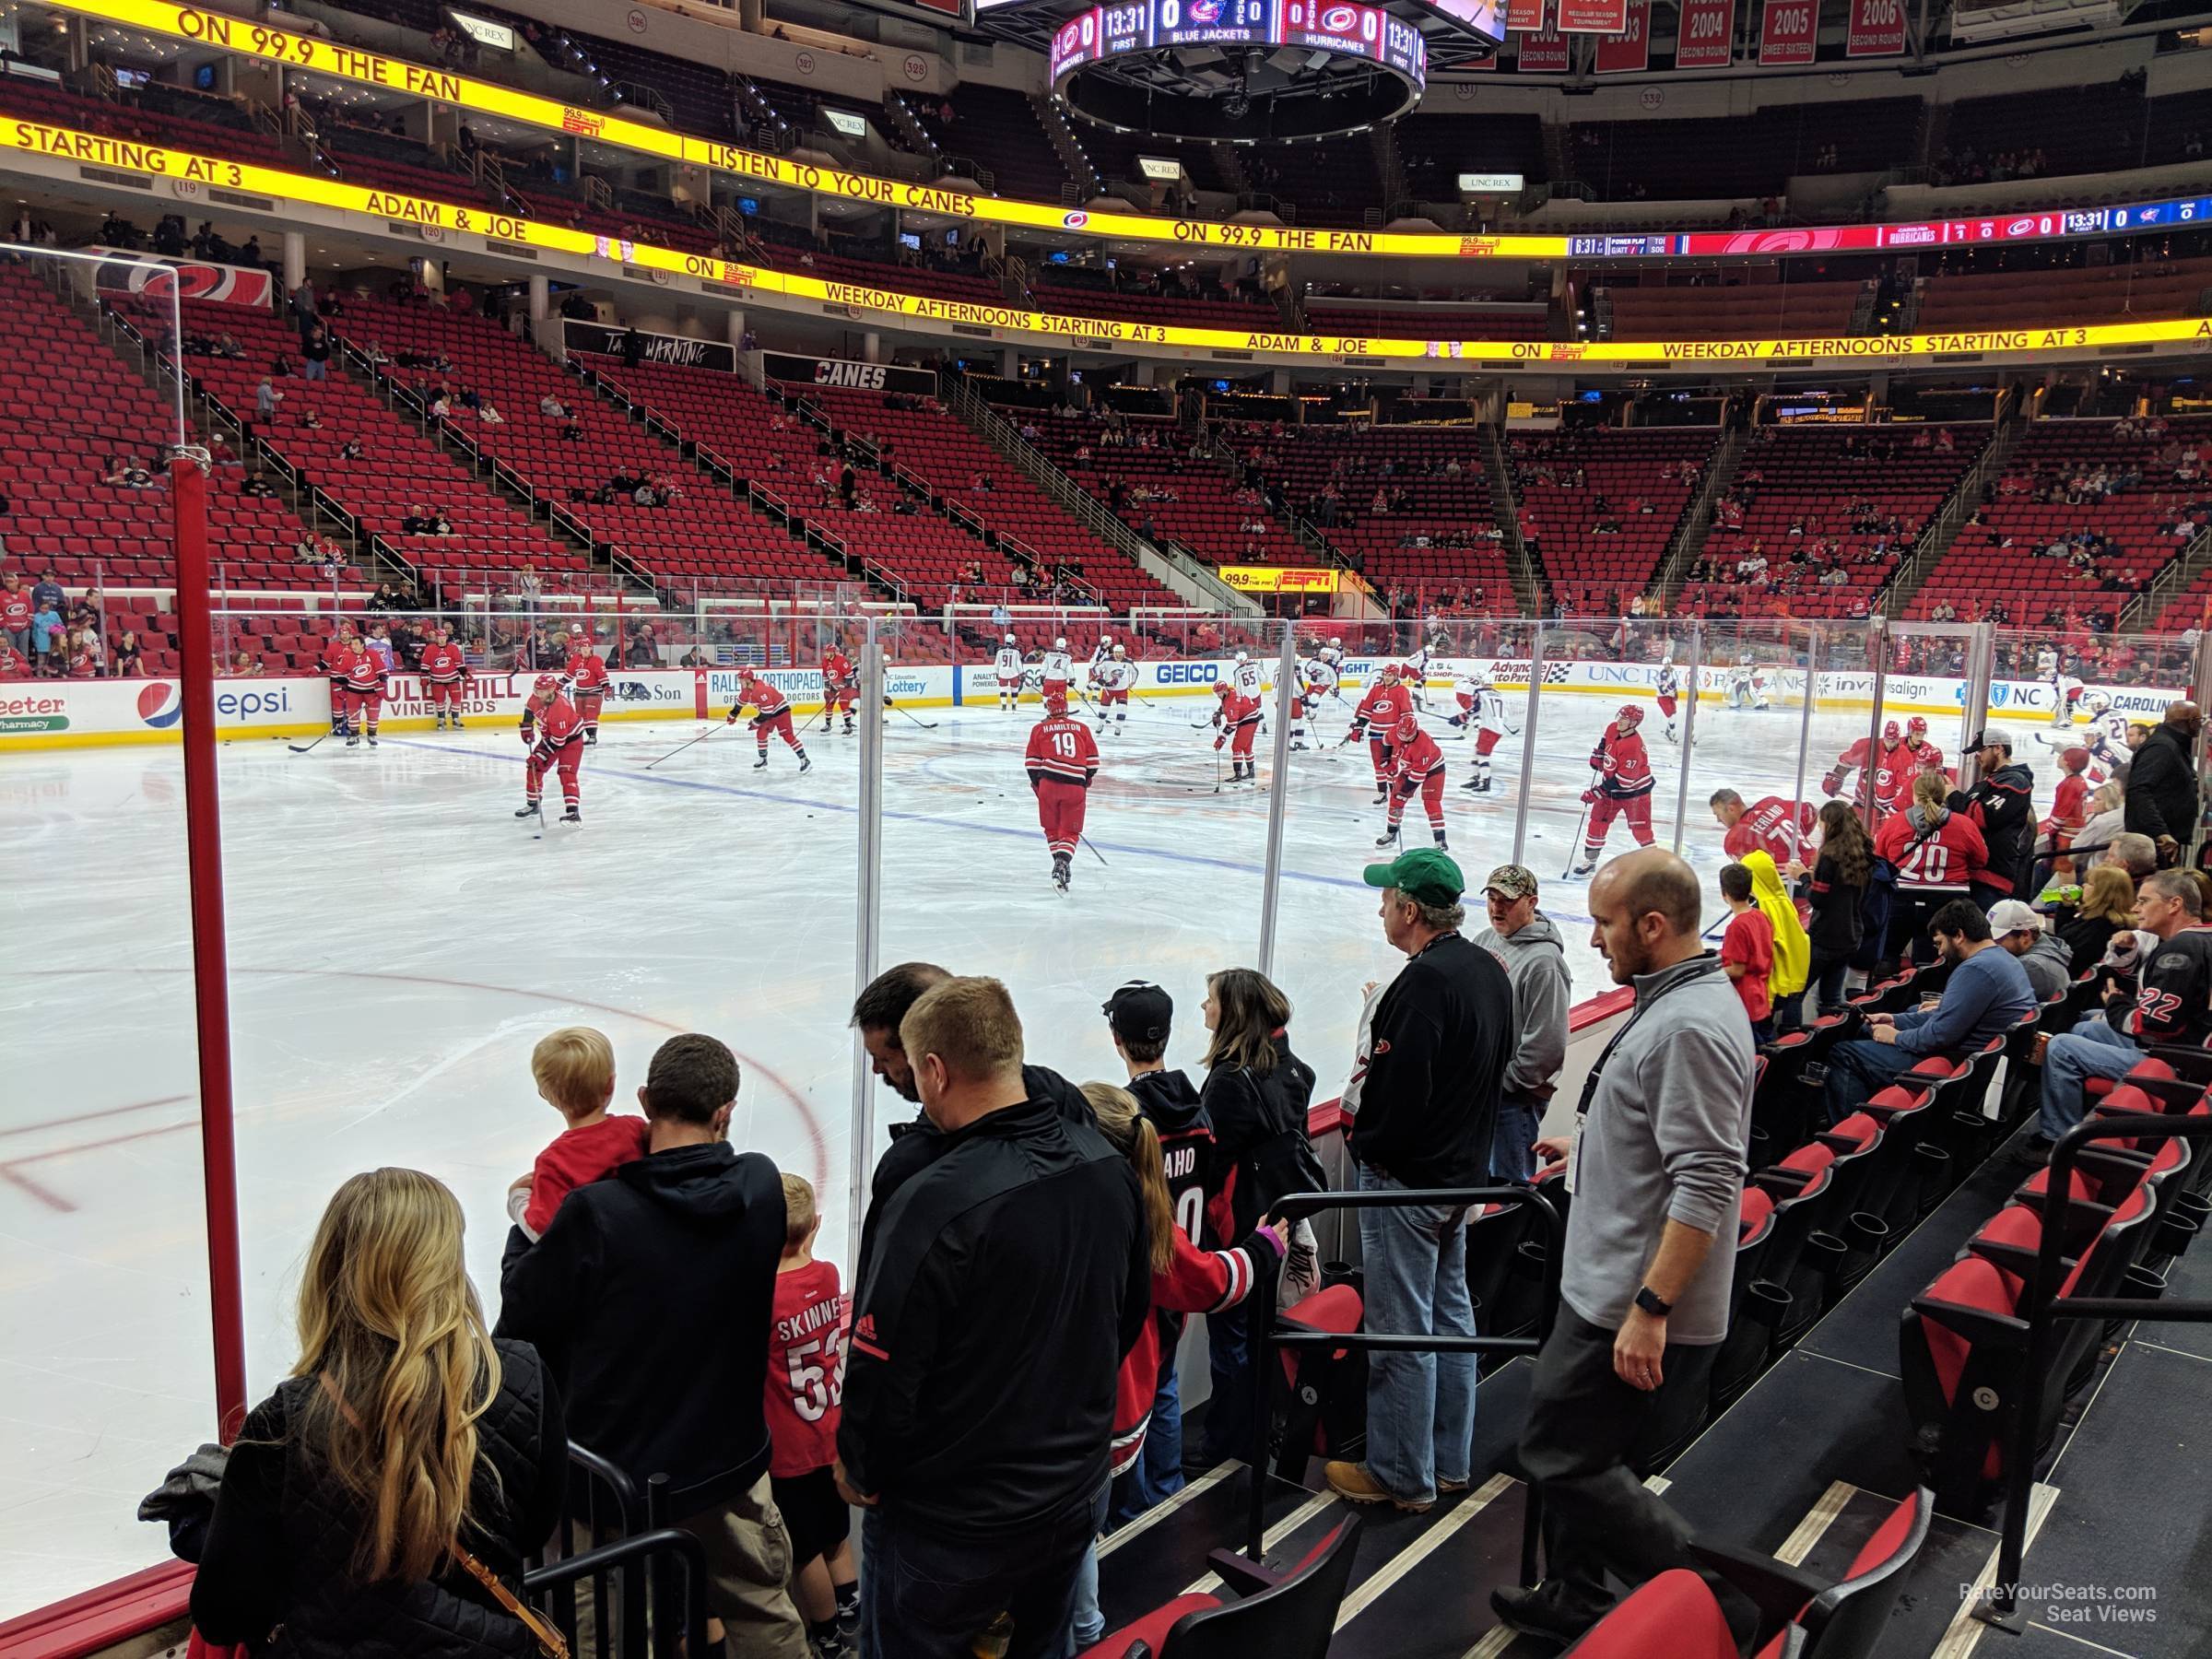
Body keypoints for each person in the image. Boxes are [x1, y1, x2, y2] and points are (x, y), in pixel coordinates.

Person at [836, 977, 1147, 1659]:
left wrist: (860, 1466)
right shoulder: (1106, 1166)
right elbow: (1126, 1317)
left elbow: (886, 1371)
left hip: (955, 1522)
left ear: (936, 1071)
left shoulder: (934, 1201)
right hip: (1071, 1493)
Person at [1491, 849, 1756, 1649]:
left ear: (1652, 924)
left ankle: (1722, 1608)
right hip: (1607, 1279)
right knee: (1586, 1450)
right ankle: (1573, 1595)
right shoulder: (1678, 1000)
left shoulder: (1688, 1027)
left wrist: (1650, 1308)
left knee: (1558, 1455)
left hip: (1624, 1299)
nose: (1595, 940)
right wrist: (1597, 1149)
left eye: (1607, 924)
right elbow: (1663, 1137)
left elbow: (1710, 1180)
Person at [497, 1033, 806, 1657]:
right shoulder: (762, 1187)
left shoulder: (597, 1214)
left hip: (615, 1485)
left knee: (608, 1632)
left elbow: (523, 1316)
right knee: (762, 1615)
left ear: (643, 1100)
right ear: (725, 1113)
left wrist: (526, 1225)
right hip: (729, 1468)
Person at [190, 1169, 567, 1654]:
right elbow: (533, 1526)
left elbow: (223, 1613)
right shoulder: (519, 1377)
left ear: (331, 1270)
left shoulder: (284, 1422)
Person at [1069, 1080, 1287, 1650]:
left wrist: (1264, 1250)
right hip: (1130, 1397)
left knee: (1081, 1536)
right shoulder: (1146, 1204)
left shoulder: (1096, 1217)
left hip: (1089, 1414)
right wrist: (1263, 1246)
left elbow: (1210, 1280)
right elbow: (1209, 1279)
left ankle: (1093, 1633)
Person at [1326, 849, 1512, 1512]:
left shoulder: (1425, 983)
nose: (1380, 908)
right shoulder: (1487, 969)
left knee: (1402, 1329)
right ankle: (1447, 1460)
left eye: (1386, 898)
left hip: (1410, 1182)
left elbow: (1399, 1096)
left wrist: (1369, 1148)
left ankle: (1402, 1475)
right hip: (1460, 1177)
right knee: (1449, 1321)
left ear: (1410, 909)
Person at [1194, 967, 1320, 1467]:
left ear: (1234, 1013)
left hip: (1239, 1229)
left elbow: (1211, 1160)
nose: (1204, 1007)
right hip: (1277, 1222)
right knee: (1256, 1334)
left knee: (1233, 1341)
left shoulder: (1230, 1082)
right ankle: (1250, 1435)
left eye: (1211, 1000)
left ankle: (1228, 1448)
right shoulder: (1291, 1068)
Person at [1100, 980, 1214, 1517]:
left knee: (1141, 1394)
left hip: (1138, 1289)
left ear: (1117, 1039)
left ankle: (1136, 1510)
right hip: (1179, 1277)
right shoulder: (1198, 1107)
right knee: (1164, 1386)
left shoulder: (1124, 1121)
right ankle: (1165, 1496)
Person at [2023, 870, 2212, 1160]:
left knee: (2060, 1047)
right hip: (2188, 1050)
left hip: (2173, 1061)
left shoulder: (2182, 949)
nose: (2135, 908)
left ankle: (2058, 1142)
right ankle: (2081, 1113)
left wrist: (2117, 1003)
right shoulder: (2200, 938)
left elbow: (2156, 1025)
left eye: (2144, 901)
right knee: (2087, 1025)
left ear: (2174, 904)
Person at [1821, 900, 2037, 1123]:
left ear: (1959, 935)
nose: (1940, 951)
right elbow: (1949, 1015)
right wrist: (1896, 1020)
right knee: (1869, 1031)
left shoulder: (1976, 968)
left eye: (1940, 943)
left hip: (1959, 1066)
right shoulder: (2004, 961)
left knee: (1845, 1054)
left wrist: (1896, 1037)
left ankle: (1851, 1135)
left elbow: (1939, 1036)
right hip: (1977, 1058)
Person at [766, 1173, 860, 1658]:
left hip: (791, 1453)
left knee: (805, 1554)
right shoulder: (827, 1274)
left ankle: (825, 1634)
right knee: (837, 1536)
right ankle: (851, 1610)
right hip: (830, 1434)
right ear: (815, 1226)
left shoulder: (766, 1298)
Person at [1472, 864, 1571, 1182]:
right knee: (1479, 1186)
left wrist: (1506, 1085)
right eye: (1492, 898)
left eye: (1508, 900)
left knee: (1508, 1189)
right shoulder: (1485, 940)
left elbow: (1546, 1044)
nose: (1497, 907)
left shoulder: (1544, 963)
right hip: (1483, 1093)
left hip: (1514, 1101)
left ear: (1531, 902)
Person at [505, 1026, 649, 1242]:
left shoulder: (554, 1162)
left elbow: (543, 1233)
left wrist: (517, 1199)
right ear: (610, 1084)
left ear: (545, 1094)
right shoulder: (635, 1129)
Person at [1875, 771, 1988, 965]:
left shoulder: (1895, 822)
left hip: (1901, 898)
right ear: (1943, 795)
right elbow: (1981, 859)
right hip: (1947, 903)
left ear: (1915, 795)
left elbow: (1880, 859)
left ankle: (1885, 992)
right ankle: (1927, 994)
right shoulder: (1964, 824)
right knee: (1931, 964)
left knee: (1886, 957)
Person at [1794, 799, 1872, 1015]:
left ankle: (1790, 1041)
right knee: (1831, 999)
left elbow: (1818, 899)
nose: (1819, 828)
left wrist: (1803, 877)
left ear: (1829, 823)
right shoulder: (1863, 853)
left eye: (1821, 823)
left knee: (1795, 994)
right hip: (1851, 936)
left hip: (1825, 937)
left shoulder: (1829, 855)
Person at [1024, 688, 1098, 893]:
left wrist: (1038, 786)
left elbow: (1031, 764)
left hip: (1048, 784)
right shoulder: (1082, 728)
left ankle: (1060, 864)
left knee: (1051, 828)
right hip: (1074, 786)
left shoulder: (1039, 729)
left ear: (1049, 709)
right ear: (1066, 709)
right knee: (1070, 831)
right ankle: (1063, 863)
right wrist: (1085, 780)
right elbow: (1093, 763)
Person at [1955, 728, 2036, 905]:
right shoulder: (1993, 780)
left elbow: (1984, 816)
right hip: (1977, 874)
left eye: (1981, 751)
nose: (1977, 757)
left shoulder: (2015, 782)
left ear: (1998, 749)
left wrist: (1953, 796)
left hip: (1992, 878)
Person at [1572, 706, 1656, 876]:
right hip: (1611, 790)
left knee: (1641, 830)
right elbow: (1605, 740)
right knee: (1597, 823)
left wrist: (1596, 792)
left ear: (1633, 723)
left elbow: (1624, 781)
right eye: (1620, 717)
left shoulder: (1633, 746)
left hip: (1635, 794)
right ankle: (1590, 862)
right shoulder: (1613, 727)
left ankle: (1656, 864)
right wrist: (1599, 754)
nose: (1619, 721)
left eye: (1624, 719)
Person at [2124, 701, 2203, 867]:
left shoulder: (2173, 744)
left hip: (2165, 842)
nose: (2201, 725)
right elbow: (2139, 790)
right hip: (2157, 844)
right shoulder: (2163, 747)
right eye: (2199, 720)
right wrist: (2160, 832)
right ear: (2189, 722)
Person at [1747, 850, 1811, 1032]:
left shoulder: (1760, 909)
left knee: (1762, 1031)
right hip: (1792, 976)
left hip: (1771, 983)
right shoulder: (1785, 901)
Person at [1718, 864, 1777, 1043]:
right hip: (1761, 995)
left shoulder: (1737, 927)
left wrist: (1712, 971)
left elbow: (1737, 970)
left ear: (1724, 894)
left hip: (1744, 1000)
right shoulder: (1760, 916)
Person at [517, 672, 586, 823]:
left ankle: (573, 813)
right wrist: (527, 727)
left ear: (552, 690)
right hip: (551, 738)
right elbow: (530, 709)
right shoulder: (537, 696)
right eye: (536, 690)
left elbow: (559, 741)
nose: (537, 694)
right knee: (534, 767)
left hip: (571, 742)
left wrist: (540, 755)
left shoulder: (560, 707)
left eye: (541, 691)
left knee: (566, 773)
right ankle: (533, 804)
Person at [1377, 709, 1448, 850]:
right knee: (1395, 800)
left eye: (1407, 737)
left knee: (1431, 802)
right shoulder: (1395, 732)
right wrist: (1386, 760)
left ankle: (1440, 841)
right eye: (1401, 736)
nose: (1403, 739)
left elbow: (1418, 776)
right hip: (1410, 768)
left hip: (1433, 769)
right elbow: (1386, 740)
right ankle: (1391, 833)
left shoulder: (1423, 744)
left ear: (1414, 732)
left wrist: (1405, 792)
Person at [2048, 863, 2136, 967]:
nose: (2083, 886)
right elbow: (2062, 936)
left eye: (2090, 883)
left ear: (2103, 893)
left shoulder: (2103, 927)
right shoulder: (2094, 913)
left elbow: (2068, 957)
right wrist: (2067, 907)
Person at [1989, 899, 2074, 1001]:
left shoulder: (2031, 966)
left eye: (1998, 940)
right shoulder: (2047, 945)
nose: (1991, 945)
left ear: (2025, 935)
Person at [728, 670, 810, 774]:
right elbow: (741, 701)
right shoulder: (747, 688)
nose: (739, 681)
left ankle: (805, 760)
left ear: (748, 679)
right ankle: (763, 760)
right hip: (768, 714)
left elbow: (768, 710)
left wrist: (756, 722)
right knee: (761, 734)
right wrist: (733, 714)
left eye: (741, 679)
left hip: (781, 712)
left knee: (788, 737)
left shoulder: (760, 689)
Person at [1710, 789, 1815, 865]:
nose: (1718, 820)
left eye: (1718, 814)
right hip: (1817, 864)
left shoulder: (1734, 839)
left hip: (1788, 883)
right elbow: (1811, 812)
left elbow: (1745, 876)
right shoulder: (1771, 802)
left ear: (1731, 809)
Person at [1210, 680, 1264, 787]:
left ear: (1225, 690)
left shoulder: (1231, 702)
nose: (1218, 695)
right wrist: (1219, 712)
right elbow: (1227, 705)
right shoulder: (1231, 691)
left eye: (1219, 693)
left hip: (1248, 719)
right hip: (1252, 716)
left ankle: (1238, 775)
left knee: (1237, 746)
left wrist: (1222, 738)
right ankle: (1251, 772)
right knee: (1247, 747)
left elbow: (1232, 725)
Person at [338, 634, 386, 747]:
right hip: (354, 690)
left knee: (373, 714)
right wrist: (344, 684)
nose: (353, 646)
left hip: (371, 690)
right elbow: (343, 673)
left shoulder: (373, 654)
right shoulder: (347, 656)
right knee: (352, 714)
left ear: (362, 645)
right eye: (352, 644)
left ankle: (371, 735)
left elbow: (383, 672)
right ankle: (354, 736)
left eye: (356, 644)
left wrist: (381, 686)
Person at [419, 623, 467, 730]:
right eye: (439, 637)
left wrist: (465, 674)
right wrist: (424, 677)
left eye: (443, 637)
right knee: (439, 700)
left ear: (446, 637)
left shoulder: (453, 648)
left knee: (456, 698)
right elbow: (425, 664)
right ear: (436, 638)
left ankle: (455, 719)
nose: (442, 640)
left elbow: (459, 662)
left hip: (452, 678)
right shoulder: (429, 649)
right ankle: (441, 719)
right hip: (437, 680)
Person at [567, 631, 609, 745]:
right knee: (581, 716)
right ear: (579, 649)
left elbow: (602, 675)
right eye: (583, 648)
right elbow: (569, 674)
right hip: (580, 692)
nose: (585, 650)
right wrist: (559, 685)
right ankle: (585, 736)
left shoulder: (597, 660)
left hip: (594, 692)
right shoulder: (575, 660)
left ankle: (592, 737)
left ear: (591, 648)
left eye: (588, 648)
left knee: (591, 714)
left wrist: (606, 687)